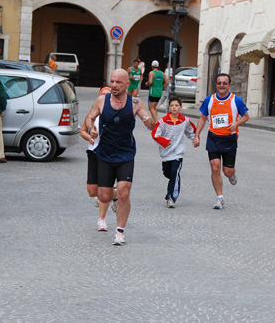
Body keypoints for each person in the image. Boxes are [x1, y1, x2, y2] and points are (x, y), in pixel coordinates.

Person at [83, 69, 154, 246]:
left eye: (118, 82)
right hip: (105, 154)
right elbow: (90, 117)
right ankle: (113, 196)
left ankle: (120, 231)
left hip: (126, 154)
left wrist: (148, 121)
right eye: (112, 81)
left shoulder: (135, 103)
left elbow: (150, 122)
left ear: (127, 84)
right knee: (104, 196)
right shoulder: (102, 100)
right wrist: (91, 127)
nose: (114, 85)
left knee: (124, 191)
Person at [194, 73, 249, 210]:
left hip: (229, 139)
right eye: (219, 83)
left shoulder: (236, 100)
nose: (222, 85)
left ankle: (232, 172)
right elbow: (202, 118)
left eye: (225, 83)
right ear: (216, 85)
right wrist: (197, 135)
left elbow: (246, 116)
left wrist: (236, 124)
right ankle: (220, 198)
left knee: (227, 172)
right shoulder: (209, 100)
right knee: (215, 167)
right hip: (213, 138)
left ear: (229, 85)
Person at [79, 86, 118, 232]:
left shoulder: (116, 114)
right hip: (93, 153)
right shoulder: (92, 114)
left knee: (103, 190)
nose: (106, 98)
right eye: (103, 95)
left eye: (108, 95)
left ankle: (102, 219)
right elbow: (82, 130)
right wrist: (90, 137)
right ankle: (114, 195)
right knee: (92, 191)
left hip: (108, 155)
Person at [151, 96, 196, 208]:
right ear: (169, 108)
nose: (174, 108)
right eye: (172, 105)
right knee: (168, 173)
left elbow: (191, 131)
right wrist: (164, 141)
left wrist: (195, 139)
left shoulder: (184, 120)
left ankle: (171, 197)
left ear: (180, 107)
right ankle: (174, 180)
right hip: (166, 153)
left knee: (175, 172)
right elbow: (155, 134)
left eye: (176, 105)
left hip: (178, 153)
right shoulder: (163, 122)